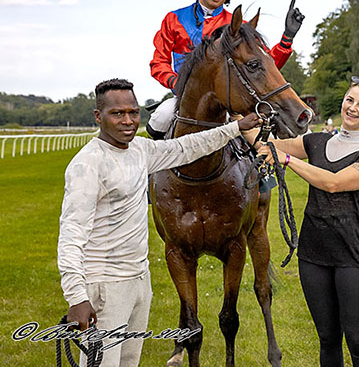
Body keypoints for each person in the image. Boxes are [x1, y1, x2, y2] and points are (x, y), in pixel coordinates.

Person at [57, 79, 262, 367]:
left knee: (129, 362)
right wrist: (77, 296)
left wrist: (235, 129)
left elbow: (188, 146)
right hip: (105, 285)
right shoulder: (87, 165)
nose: (128, 121)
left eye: (133, 112)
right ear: (98, 116)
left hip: (139, 280)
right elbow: (70, 235)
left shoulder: (140, 150)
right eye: (118, 114)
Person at [256, 75, 359, 367]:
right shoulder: (316, 141)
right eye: (350, 100)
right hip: (313, 256)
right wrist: (239, 119)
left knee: (358, 343)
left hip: (354, 258)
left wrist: (288, 160)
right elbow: (271, 144)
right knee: (327, 339)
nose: (353, 108)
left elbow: (333, 183)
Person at [147, 0, 305, 138]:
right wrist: (178, 84)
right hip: (186, 98)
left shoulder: (238, 25)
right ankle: (159, 163)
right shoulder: (174, 19)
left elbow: (262, 66)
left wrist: (287, 37)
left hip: (229, 101)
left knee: (260, 140)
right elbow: (159, 63)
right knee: (161, 117)